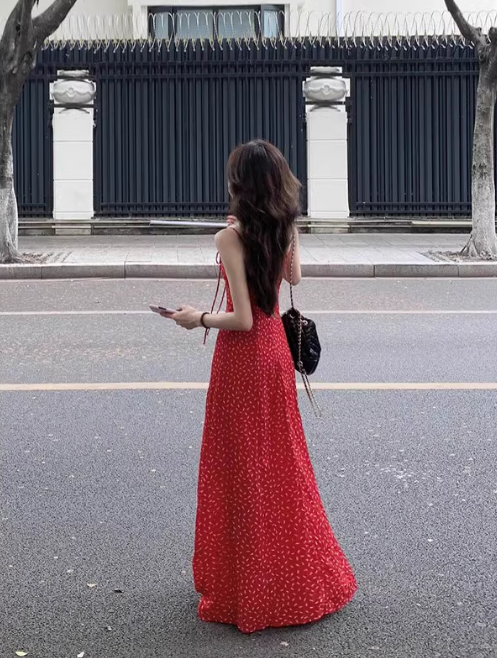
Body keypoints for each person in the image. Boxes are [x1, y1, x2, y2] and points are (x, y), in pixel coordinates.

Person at [161, 140, 357, 634]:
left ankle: (248, 585)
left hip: (243, 360)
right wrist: (290, 227)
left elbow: (242, 319)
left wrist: (196, 317)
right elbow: (294, 278)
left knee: (242, 467)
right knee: (281, 463)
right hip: (276, 355)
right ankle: (296, 578)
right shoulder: (283, 227)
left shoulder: (228, 238)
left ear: (240, 184)